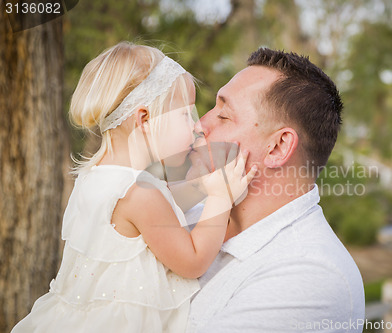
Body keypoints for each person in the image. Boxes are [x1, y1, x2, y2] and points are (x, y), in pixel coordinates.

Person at [11, 42, 256, 333]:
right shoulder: (139, 193)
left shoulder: (98, 174)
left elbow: (165, 211)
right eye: (184, 115)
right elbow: (192, 261)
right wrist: (220, 197)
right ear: (145, 120)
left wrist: (201, 187)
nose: (196, 126)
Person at [186, 48, 365, 332]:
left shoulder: (312, 275)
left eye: (223, 116)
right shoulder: (187, 214)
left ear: (278, 147)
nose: (199, 125)